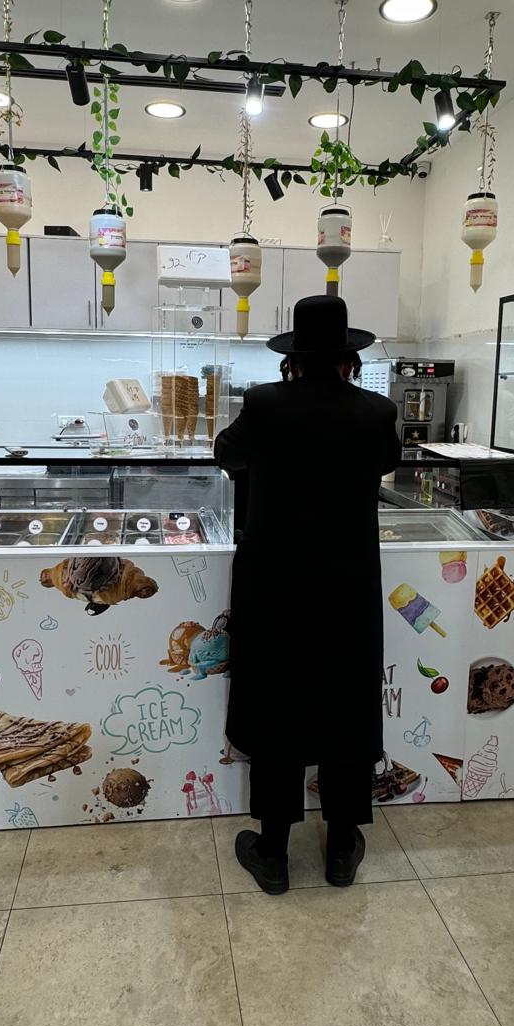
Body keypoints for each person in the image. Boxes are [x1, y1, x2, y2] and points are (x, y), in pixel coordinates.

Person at [214, 294, 401, 893]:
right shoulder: (377, 410)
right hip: (348, 584)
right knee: (346, 700)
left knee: (277, 701)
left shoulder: (264, 403)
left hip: (276, 583)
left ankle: (272, 853)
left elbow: (226, 454)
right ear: (349, 358)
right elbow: (387, 462)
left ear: (291, 358)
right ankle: (341, 846)